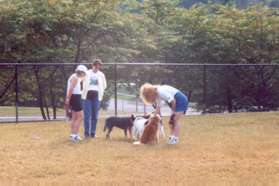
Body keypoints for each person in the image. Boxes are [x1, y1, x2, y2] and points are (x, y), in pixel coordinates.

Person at [82, 58, 107, 138]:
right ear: (92, 65)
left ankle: (93, 133)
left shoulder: (101, 74)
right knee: (87, 116)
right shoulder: (87, 73)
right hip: (87, 96)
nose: (96, 67)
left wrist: (100, 90)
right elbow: (81, 80)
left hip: (96, 96)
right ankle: (86, 133)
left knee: (95, 116)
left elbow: (104, 85)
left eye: (98, 66)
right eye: (95, 66)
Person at [65, 65, 88, 142]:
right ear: (81, 72)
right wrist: (67, 99)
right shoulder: (74, 78)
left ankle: (73, 134)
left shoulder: (76, 77)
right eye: (83, 73)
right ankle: (74, 135)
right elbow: (71, 89)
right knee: (80, 117)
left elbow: (82, 79)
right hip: (75, 98)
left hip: (75, 98)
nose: (83, 74)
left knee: (74, 117)